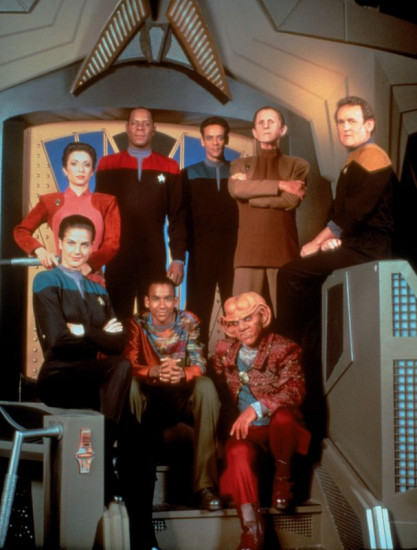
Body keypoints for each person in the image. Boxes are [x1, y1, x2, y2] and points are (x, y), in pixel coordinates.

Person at [275, 96, 396, 453]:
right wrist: (334, 240)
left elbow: (354, 213)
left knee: (290, 273)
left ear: (369, 125)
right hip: (355, 244)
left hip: (370, 249)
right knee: (314, 313)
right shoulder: (353, 160)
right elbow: (342, 214)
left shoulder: (373, 157)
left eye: (352, 121)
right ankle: (303, 351)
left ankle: (284, 349)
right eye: (340, 122)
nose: (345, 128)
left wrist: (318, 242)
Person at [33, 214, 159, 550]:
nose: (78, 250)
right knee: (119, 366)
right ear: (60, 243)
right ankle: (104, 462)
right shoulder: (45, 280)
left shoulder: (98, 288)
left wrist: (81, 330)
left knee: (141, 444)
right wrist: (98, 334)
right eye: (71, 243)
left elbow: (119, 341)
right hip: (60, 378)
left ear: (92, 247)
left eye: (85, 244)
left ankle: (144, 538)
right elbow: (57, 340)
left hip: (100, 387)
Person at [211, 292, 310, 550]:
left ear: (263, 316)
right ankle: (252, 529)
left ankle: (283, 482)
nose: (242, 327)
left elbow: (295, 390)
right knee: (236, 452)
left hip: (279, 430)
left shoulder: (285, 348)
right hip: (248, 433)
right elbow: (215, 385)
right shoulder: (223, 351)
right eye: (235, 323)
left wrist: (257, 408)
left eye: (248, 319)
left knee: (284, 417)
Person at [124, 277, 221, 512]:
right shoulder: (136, 323)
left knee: (206, 386)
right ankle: (132, 480)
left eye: (167, 299)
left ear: (175, 301)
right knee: (130, 385)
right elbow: (128, 365)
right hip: (149, 397)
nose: (162, 305)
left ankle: (205, 486)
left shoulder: (189, 321)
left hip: (180, 395)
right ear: (147, 301)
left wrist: (182, 374)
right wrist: (153, 371)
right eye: (156, 299)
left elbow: (199, 362)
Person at [95, 107, 186, 319]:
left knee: (154, 318)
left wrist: (178, 259)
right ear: (127, 127)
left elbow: (177, 216)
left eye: (145, 124)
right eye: (135, 123)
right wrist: (96, 259)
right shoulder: (107, 164)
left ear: (153, 129)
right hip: (117, 255)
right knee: (116, 319)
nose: (140, 128)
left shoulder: (170, 167)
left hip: (153, 254)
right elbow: (99, 214)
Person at [228, 106, 309, 318]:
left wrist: (250, 198)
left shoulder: (298, 165)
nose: (266, 126)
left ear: (283, 129)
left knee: (288, 317)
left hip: (283, 250)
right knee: (241, 317)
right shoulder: (240, 164)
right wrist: (281, 185)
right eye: (261, 122)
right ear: (254, 132)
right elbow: (237, 189)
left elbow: (291, 200)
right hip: (248, 252)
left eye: (271, 121)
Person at [14, 142, 120, 283]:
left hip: (93, 281)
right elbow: (21, 231)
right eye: (74, 164)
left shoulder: (106, 202)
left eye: (86, 165)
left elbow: (112, 245)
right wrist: (39, 250)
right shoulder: (50, 201)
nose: (81, 170)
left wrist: (89, 265)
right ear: (65, 169)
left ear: (92, 171)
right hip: (60, 280)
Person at [182, 116, 238, 350]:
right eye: (210, 137)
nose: (215, 142)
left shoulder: (238, 172)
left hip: (234, 251)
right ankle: (197, 364)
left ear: (226, 140)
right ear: (202, 141)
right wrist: (183, 252)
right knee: (197, 310)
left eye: (219, 137)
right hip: (200, 251)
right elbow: (181, 216)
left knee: (236, 309)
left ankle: (237, 364)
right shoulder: (188, 174)